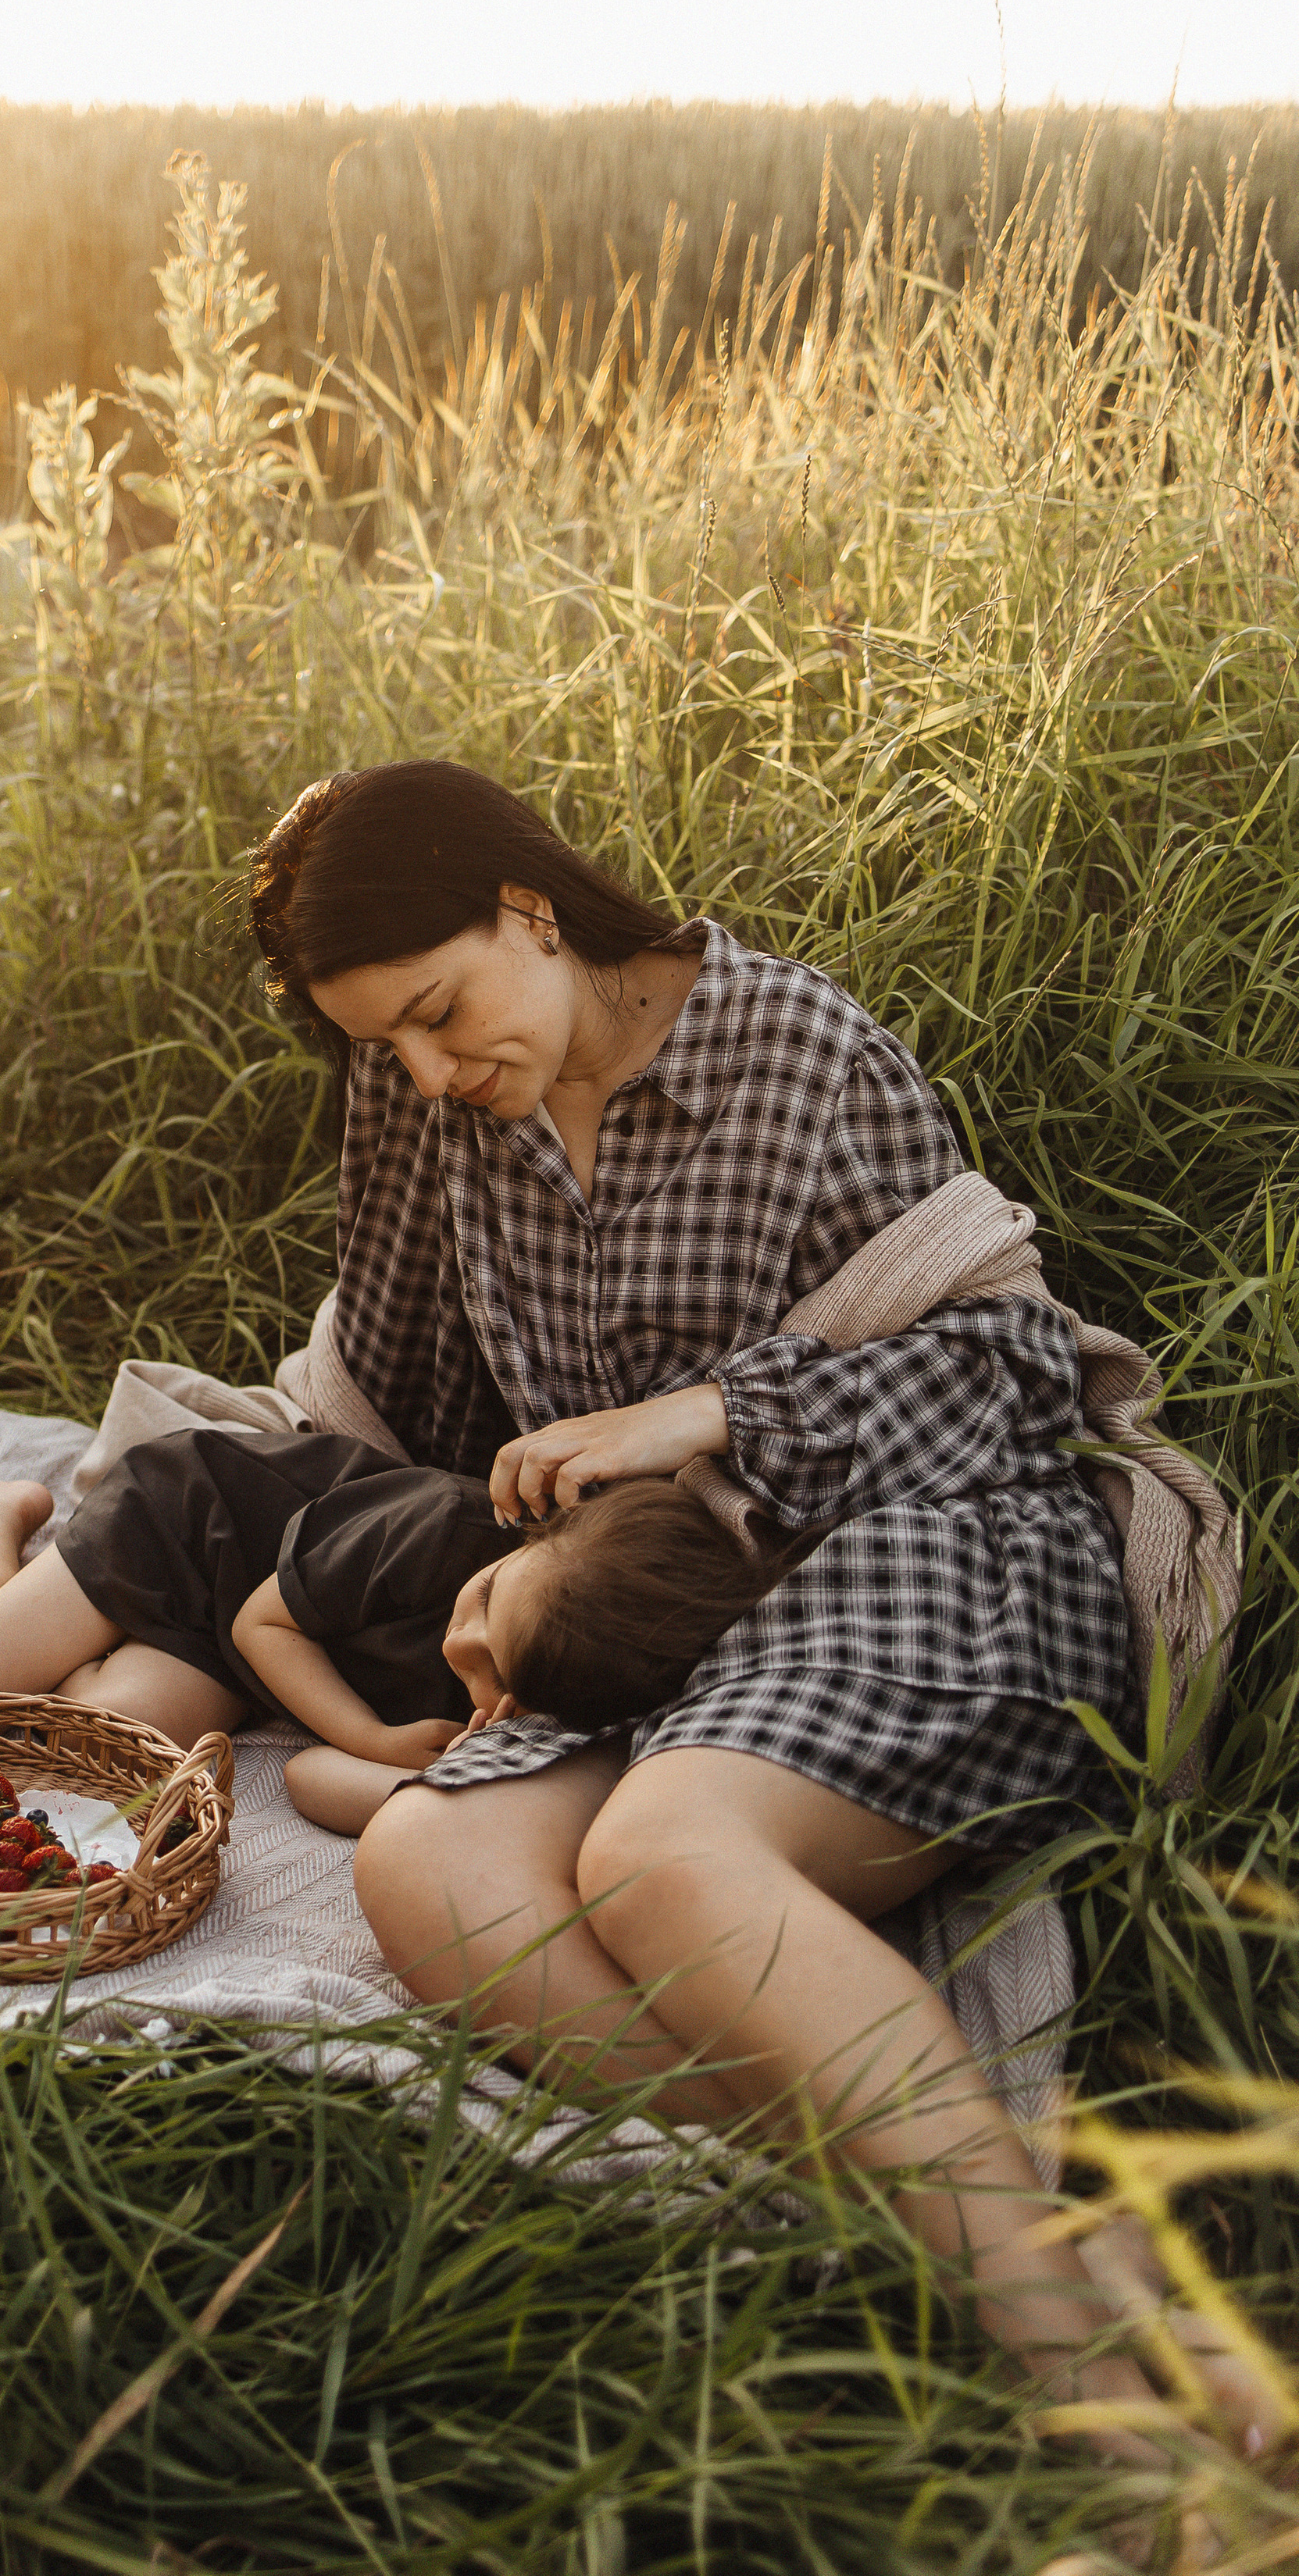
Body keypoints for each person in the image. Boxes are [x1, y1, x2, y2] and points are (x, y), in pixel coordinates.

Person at [245, 756, 1239, 2460]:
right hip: (653, 1603)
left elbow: (1009, 1372)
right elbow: (399, 1400)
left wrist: (704, 1414)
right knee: (429, 1864)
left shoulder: (793, 1050)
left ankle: (1086, 2395)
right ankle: (1038, 2247)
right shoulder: (430, 1101)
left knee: (654, 1859)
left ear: (527, 908)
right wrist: (214, 1563)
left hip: (916, 1541)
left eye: (434, 1013)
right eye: (378, 1046)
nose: (422, 1069)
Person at [0, 1434, 780, 1835]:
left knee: (108, 1750)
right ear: (532, 1536)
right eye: (486, 1601)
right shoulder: (442, 1529)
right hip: (201, 1539)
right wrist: (376, 1737)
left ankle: (34, 1618)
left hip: (251, 1659)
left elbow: (310, 1776)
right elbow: (261, 1619)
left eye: (495, 1670)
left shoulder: (549, 1691)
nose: (462, 1647)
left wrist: (430, 1773)